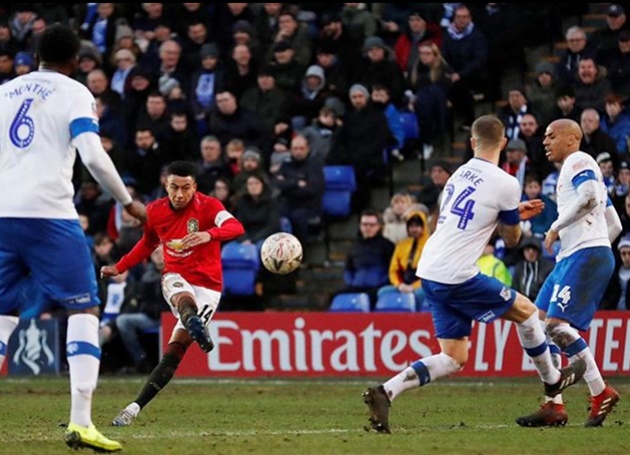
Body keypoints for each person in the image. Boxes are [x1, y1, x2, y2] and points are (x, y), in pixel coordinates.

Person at [362, 114, 587, 434]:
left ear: (471, 143)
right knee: (527, 313)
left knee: (454, 356)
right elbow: (511, 240)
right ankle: (553, 382)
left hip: (430, 270)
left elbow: (466, 219)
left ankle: (386, 392)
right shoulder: (507, 182)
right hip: (456, 273)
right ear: (504, 143)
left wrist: (508, 213)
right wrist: (513, 218)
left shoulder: (458, 174)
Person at [0, 24, 146, 452]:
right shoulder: (74, 93)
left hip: (3, 214)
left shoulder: (5, 92)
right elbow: (92, 153)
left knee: (2, 313)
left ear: (36, 55)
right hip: (49, 216)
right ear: (76, 62)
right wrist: (127, 201)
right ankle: (81, 422)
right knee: (84, 305)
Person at [100, 160, 245, 427]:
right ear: (165, 186)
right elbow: (147, 244)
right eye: (174, 188)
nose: (180, 194)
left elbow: (236, 227)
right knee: (180, 295)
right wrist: (119, 266)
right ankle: (192, 321)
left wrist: (209, 235)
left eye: (186, 188)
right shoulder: (154, 212)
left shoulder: (209, 206)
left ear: (195, 187)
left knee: (174, 351)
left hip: (209, 287)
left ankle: (134, 406)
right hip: (176, 275)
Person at [516, 118, 623, 428]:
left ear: (571, 138)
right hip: (575, 255)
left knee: (557, 326)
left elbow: (589, 197)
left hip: (583, 254)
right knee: (535, 322)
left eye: (551, 136)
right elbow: (612, 223)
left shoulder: (578, 160)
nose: (545, 141)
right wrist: (596, 243)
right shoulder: (574, 172)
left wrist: (556, 228)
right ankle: (554, 404)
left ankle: (600, 391)